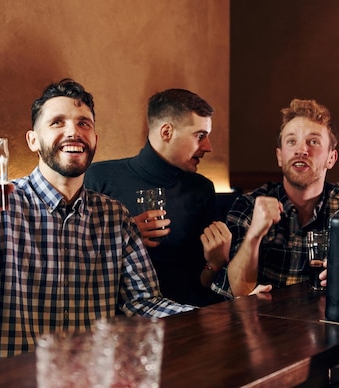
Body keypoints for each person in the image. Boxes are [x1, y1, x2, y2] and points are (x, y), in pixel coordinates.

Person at [0, 79, 194, 369]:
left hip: (82, 379)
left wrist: (214, 318)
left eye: (84, 124)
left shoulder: (114, 216)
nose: (73, 132)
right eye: (57, 122)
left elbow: (143, 303)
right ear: (33, 140)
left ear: (95, 139)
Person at [85, 88, 230, 306]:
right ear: (166, 132)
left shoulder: (201, 189)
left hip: (187, 318)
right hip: (119, 321)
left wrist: (215, 264)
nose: (208, 147)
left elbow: (199, 285)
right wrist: (124, 240)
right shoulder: (99, 178)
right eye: (200, 136)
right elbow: (75, 269)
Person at [211, 98, 339, 298]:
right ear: (280, 156)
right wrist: (254, 235)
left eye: (313, 142)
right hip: (267, 324)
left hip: (330, 322)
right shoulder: (248, 205)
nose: (301, 150)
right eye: (291, 141)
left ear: (331, 158)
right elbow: (239, 291)